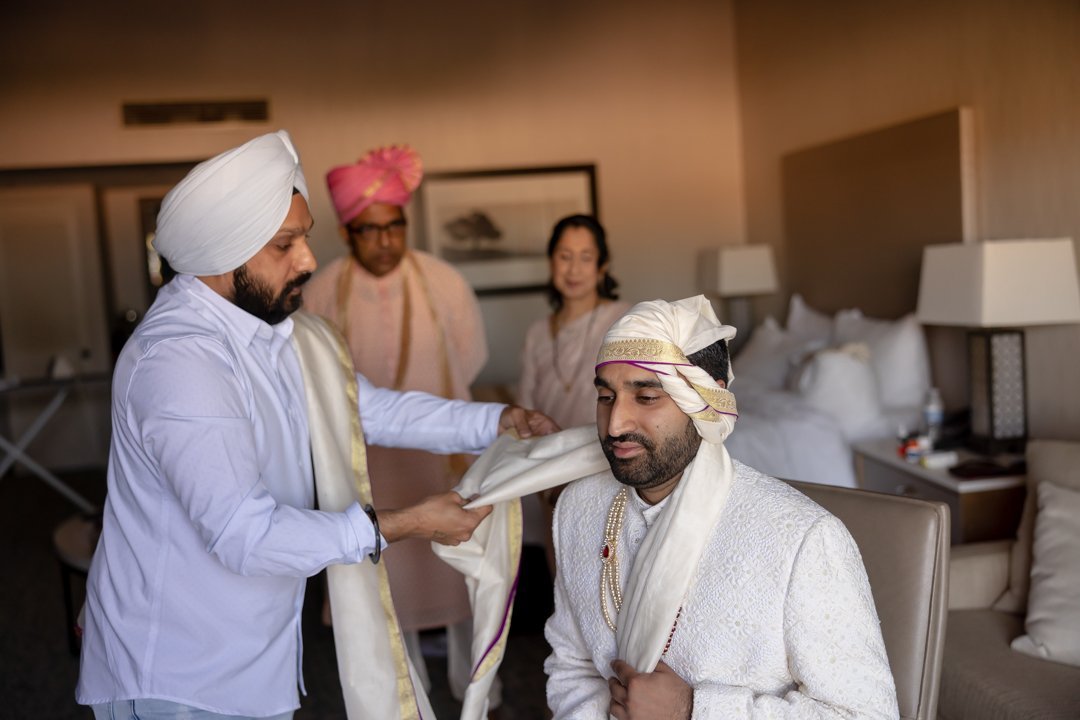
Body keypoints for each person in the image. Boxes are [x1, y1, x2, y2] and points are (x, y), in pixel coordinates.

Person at [75, 130, 556, 720]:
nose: (308, 260)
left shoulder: (279, 331)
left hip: (252, 645)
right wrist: (407, 523)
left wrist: (499, 420)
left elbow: (372, 409)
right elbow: (245, 536)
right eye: (286, 245)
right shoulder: (180, 361)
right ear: (227, 253)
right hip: (179, 666)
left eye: (305, 238)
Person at [543, 296, 900, 719]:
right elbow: (572, 666)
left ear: (706, 404)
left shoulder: (803, 541)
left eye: (647, 397)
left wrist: (692, 709)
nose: (616, 423)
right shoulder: (578, 508)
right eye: (606, 397)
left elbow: (868, 714)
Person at [303, 144, 493, 703]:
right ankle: (411, 697)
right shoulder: (320, 291)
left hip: (440, 462)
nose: (385, 241)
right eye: (369, 230)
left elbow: (471, 357)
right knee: (386, 589)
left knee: (462, 580)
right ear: (346, 233)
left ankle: (480, 691)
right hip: (368, 472)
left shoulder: (444, 282)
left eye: (394, 227)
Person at [518, 214, 629, 430]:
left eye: (585, 257)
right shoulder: (537, 333)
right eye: (565, 256)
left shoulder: (622, 320)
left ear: (601, 267)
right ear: (551, 261)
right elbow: (525, 410)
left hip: (606, 453)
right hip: (549, 452)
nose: (574, 270)